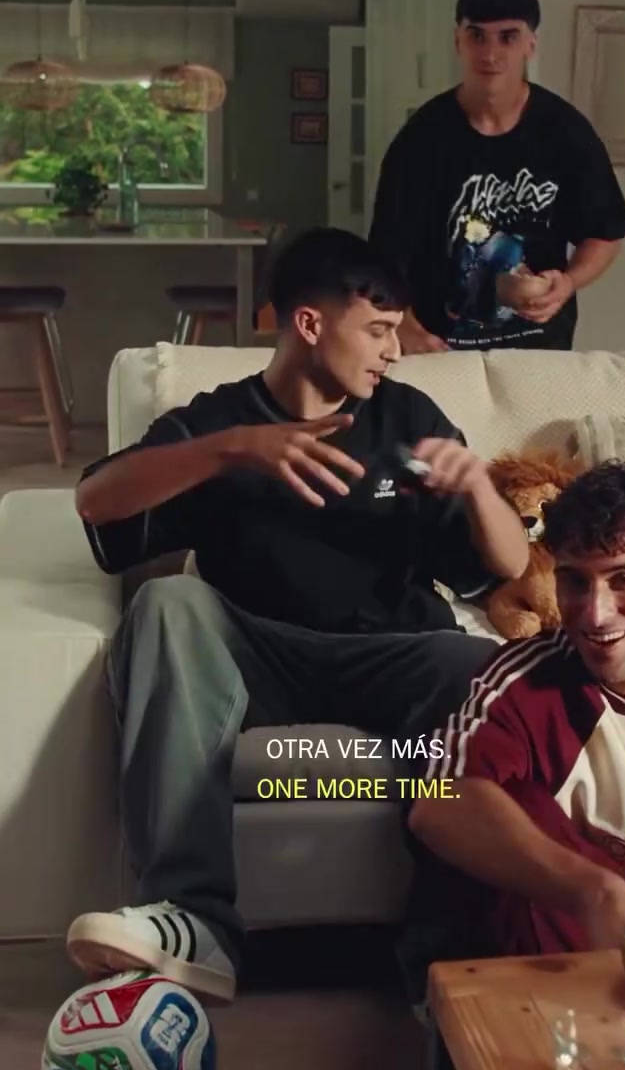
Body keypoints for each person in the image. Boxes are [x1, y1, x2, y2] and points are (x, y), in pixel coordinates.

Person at [66, 227, 529, 1004]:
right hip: (255, 658)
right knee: (169, 602)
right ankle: (194, 920)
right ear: (311, 323)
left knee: (474, 666)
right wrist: (230, 451)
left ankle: (448, 955)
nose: (394, 351)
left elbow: (510, 568)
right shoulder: (221, 421)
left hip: (391, 658)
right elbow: (95, 500)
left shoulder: (407, 416)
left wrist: (479, 487)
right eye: (378, 330)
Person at [405, 460, 625, 1001]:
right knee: (505, 803)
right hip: (584, 961)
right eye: (575, 581)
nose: (595, 615)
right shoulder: (525, 677)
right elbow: (439, 802)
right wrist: (594, 893)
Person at [369, 0, 625, 355]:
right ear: (458, 41)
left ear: (531, 44)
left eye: (507, 37)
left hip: (538, 349)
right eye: (477, 36)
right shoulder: (421, 139)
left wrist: (569, 282)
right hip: (438, 346)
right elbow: (384, 254)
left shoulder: (565, 131)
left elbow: (605, 233)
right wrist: (403, 326)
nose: (490, 53)